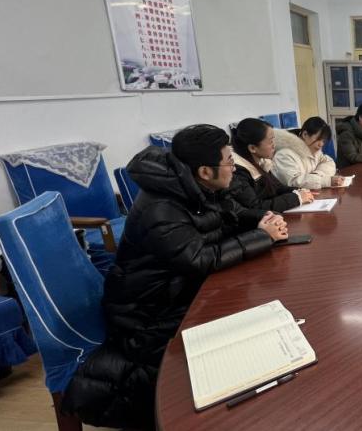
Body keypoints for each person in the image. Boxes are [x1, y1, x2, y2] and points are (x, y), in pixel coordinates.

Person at [61, 124, 288, 428]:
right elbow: (198, 260)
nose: (234, 168)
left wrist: (263, 221)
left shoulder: (194, 186)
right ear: (205, 171)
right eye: (229, 162)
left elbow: (229, 215)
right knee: (246, 339)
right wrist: (262, 237)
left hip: (177, 292)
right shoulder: (161, 208)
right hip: (148, 313)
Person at [230, 118, 314, 213]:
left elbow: (278, 188)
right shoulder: (237, 172)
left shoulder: (262, 163)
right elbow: (255, 207)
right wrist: (297, 198)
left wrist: (300, 191)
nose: (274, 145)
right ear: (253, 148)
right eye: (270, 142)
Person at [272, 116, 345, 189]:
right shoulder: (284, 155)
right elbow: (294, 181)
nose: (321, 144)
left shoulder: (314, 151)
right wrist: (326, 181)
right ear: (305, 134)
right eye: (318, 139)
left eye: (323, 141)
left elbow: (329, 162)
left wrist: (317, 175)